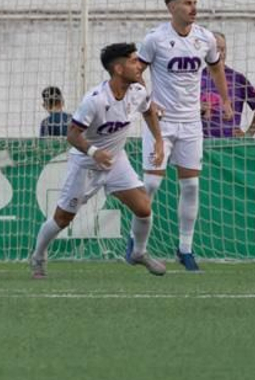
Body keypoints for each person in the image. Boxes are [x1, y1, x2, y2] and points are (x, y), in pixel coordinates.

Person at [30, 43, 167, 279]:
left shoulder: (138, 91)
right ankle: (38, 256)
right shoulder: (94, 100)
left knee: (144, 208)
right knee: (63, 218)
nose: (139, 65)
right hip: (86, 164)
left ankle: (138, 253)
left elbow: (148, 111)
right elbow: (72, 134)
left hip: (116, 161)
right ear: (118, 68)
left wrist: (159, 140)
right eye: (134, 61)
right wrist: (94, 152)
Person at [136, 0, 228, 272]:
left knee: (191, 185)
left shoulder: (206, 38)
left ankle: (185, 249)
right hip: (160, 123)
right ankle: (136, 245)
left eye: (195, 2)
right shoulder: (155, 39)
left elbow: (215, 68)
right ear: (171, 7)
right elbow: (135, 71)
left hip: (191, 123)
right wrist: (148, 102)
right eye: (188, 2)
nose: (194, 8)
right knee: (151, 183)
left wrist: (225, 100)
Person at [200, 31, 255, 138]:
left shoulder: (237, 78)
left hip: (230, 147)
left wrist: (249, 134)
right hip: (201, 143)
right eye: (217, 49)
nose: (221, 54)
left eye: (223, 49)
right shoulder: (196, 77)